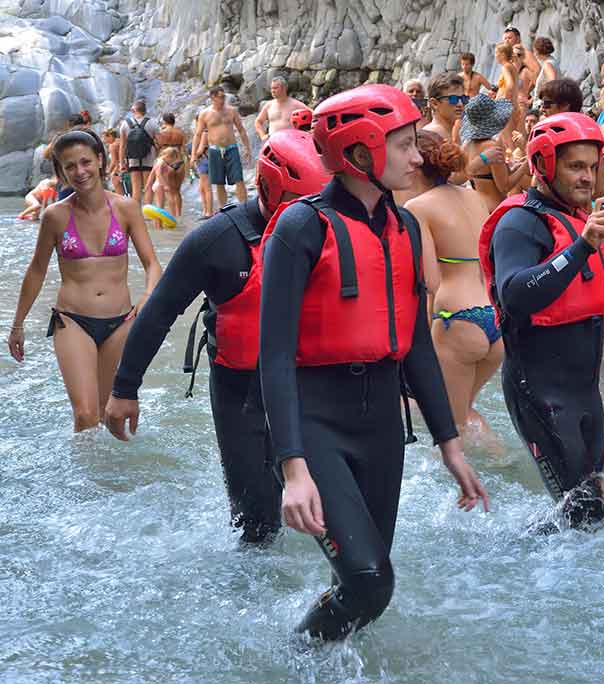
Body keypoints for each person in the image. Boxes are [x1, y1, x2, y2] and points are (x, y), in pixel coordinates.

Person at [258, 84, 489, 640]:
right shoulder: (301, 227)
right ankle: (297, 662)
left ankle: (325, 661)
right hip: (317, 422)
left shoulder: (407, 227)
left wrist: (449, 444)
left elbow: (414, 345)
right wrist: (292, 468)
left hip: (382, 422)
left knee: (369, 581)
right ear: (360, 153)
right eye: (406, 145)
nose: (418, 156)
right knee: (369, 582)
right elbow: (272, 356)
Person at [104, 129, 331, 545]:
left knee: (329, 511)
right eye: (300, 206)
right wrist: (124, 388)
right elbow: (159, 313)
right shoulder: (214, 240)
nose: (310, 219)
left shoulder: (332, 227)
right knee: (256, 523)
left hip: (312, 384)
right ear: (268, 186)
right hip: (240, 388)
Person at [479, 112, 604, 530]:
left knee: (590, 509)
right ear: (544, 166)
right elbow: (515, 295)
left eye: (592, 167)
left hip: (583, 393)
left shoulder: (577, 217)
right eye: (576, 166)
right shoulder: (519, 223)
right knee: (582, 514)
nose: (588, 178)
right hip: (540, 392)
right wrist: (582, 247)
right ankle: (509, 569)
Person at [7, 130, 162, 432]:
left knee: (110, 417)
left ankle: (108, 479)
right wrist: (17, 325)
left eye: (85, 162)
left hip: (121, 321)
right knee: (85, 415)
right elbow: (37, 270)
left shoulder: (126, 208)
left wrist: (148, 296)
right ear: (61, 172)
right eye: (69, 166)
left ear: (100, 160)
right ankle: (79, 477)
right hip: (73, 321)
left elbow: (152, 264)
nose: (80, 171)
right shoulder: (55, 216)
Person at [405, 131, 504, 446]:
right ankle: (504, 463)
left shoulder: (416, 207)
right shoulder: (474, 195)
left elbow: (430, 281)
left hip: (456, 318)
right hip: (494, 317)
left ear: (418, 165)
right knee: (466, 414)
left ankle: (465, 491)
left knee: (450, 428)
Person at [461, 95, 530, 211]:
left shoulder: (468, 146)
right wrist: (526, 165)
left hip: (478, 208)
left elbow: (490, 177)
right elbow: (504, 187)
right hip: (495, 208)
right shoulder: (492, 147)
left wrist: (516, 167)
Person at [191, 86, 252, 210]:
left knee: (239, 179)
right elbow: (197, 135)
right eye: (220, 97)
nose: (223, 99)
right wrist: (193, 155)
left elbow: (241, 130)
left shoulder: (231, 111)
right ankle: (224, 209)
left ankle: (245, 208)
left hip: (231, 148)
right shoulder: (205, 114)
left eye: (224, 96)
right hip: (215, 151)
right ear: (212, 97)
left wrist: (247, 148)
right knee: (219, 182)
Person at [117, 100, 163, 205]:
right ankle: (148, 211)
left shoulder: (125, 124)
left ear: (134, 110)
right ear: (144, 111)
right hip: (149, 158)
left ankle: (136, 213)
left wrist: (121, 163)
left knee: (136, 187)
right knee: (148, 186)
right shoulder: (152, 123)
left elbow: (122, 146)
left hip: (133, 159)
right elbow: (160, 143)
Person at [255, 76, 310, 141]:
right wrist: (263, 135)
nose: (272, 91)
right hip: (273, 143)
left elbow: (314, 115)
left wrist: (310, 132)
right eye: (271, 88)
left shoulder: (296, 104)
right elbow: (258, 122)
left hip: (291, 141)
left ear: (284, 88)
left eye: (275, 88)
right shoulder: (269, 105)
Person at [143, 146, 185, 225]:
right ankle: (158, 225)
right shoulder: (161, 162)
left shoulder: (158, 161)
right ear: (168, 156)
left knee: (160, 207)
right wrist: (165, 185)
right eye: (172, 159)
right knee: (159, 208)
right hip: (159, 186)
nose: (171, 162)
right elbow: (158, 174)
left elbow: (152, 175)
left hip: (157, 185)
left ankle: (159, 225)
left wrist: (147, 186)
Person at [422, 72, 467, 143]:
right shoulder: (428, 137)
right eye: (453, 99)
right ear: (434, 103)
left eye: (463, 98)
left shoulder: (456, 133)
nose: (460, 104)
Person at [531, 37, 559, 106]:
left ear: (537, 51)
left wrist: (544, 102)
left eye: (534, 51)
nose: (534, 53)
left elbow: (552, 83)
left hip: (543, 105)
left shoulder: (548, 64)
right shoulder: (552, 61)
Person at [102, 129, 129, 197]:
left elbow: (114, 162)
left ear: (110, 136)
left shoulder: (112, 146)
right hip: (129, 167)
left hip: (120, 169)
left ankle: (122, 203)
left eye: (105, 138)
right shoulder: (122, 141)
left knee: (120, 193)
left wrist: (109, 172)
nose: (104, 140)